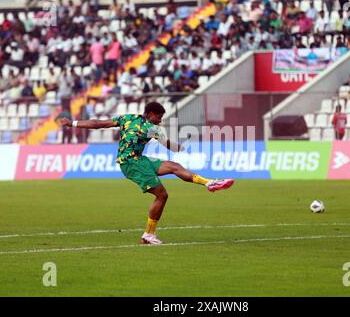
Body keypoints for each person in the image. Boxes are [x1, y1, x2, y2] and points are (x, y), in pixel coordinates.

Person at [57, 102, 234, 245]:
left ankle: (209, 183)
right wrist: (178, 147)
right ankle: (148, 235)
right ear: (150, 113)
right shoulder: (151, 128)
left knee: (174, 166)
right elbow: (166, 144)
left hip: (140, 159)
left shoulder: (128, 118)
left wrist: (71, 123)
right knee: (162, 195)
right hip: (131, 163)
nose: (160, 120)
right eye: (159, 117)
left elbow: (99, 124)